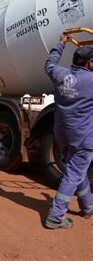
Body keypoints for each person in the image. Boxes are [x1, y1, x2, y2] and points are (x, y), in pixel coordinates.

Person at [43, 32, 93, 229]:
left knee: (75, 169)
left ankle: (87, 207)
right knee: (73, 173)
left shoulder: (60, 74)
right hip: (84, 138)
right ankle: (55, 217)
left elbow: (49, 63)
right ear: (89, 63)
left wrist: (61, 43)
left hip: (62, 133)